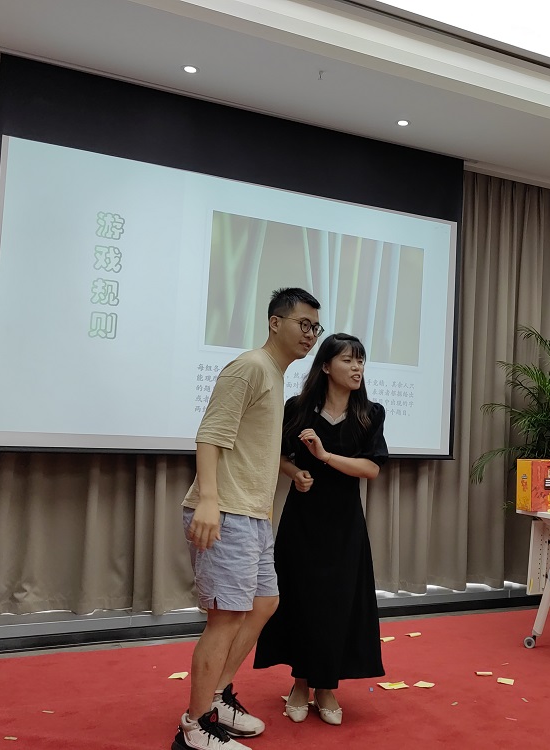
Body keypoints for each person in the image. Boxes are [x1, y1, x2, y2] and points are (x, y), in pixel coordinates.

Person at [173, 287, 323, 750]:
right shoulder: (250, 367)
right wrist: (209, 500)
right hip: (227, 510)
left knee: (264, 603)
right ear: (275, 322)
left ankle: (216, 696)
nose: (310, 335)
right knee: (226, 618)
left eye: (315, 327)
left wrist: (292, 471)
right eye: (303, 324)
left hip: (254, 514)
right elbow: (210, 435)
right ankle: (194, 726)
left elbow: (254, 446)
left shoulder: (275, 375)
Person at [253, 333, 389, 726]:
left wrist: (325, 456)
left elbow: (371, 469)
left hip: (345, 524)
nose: (357, 368)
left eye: (360, 360)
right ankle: (300, 683)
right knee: (300, 599)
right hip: (303, 520)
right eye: (348, 360)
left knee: (337, 603)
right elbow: (278, 456)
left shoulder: (370, 413)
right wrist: (296, 473)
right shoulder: (298, 408)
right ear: (326, 366)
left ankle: (326, 686)